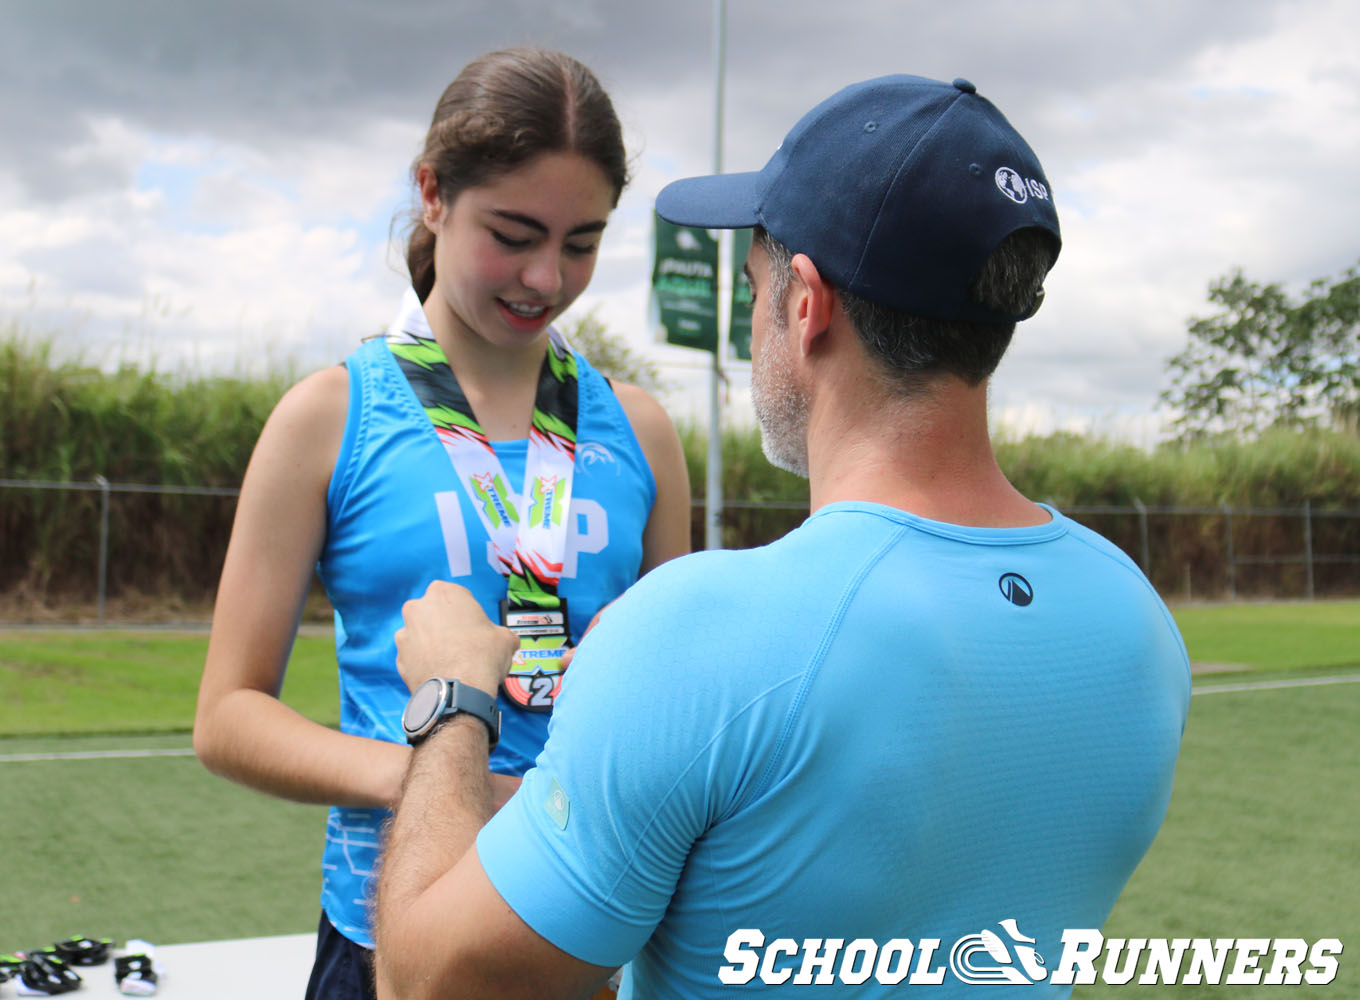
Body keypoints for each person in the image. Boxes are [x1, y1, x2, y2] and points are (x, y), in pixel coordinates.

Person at [373, 74, 1191, 1000]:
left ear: (804, 304)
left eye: (756, 284)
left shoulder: (697, 632)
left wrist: (453, 701)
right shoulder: (1139, 622)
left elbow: (428, 980)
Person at [192, 47, 691, 1000]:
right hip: (393, 936)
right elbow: (226, 718)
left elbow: (672, 685)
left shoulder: (644, 430)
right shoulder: (329, 416)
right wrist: (438, 776)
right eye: (512, 233)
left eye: (581, 242)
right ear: (433, 193)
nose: (545, 276)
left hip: (597, 929)